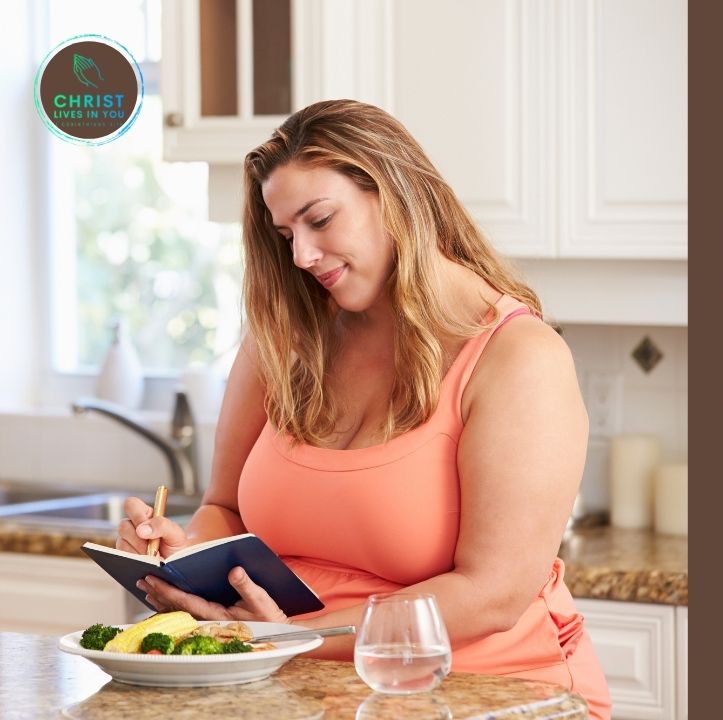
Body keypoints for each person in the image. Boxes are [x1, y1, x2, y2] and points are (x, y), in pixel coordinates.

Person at [114, 99, 611, 718]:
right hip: (296, 683)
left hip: (489, 692)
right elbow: (227, 510)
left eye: (319, 219)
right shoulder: (285, 338)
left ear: (395, 192)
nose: (301, 255)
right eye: (287, 234)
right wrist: (178, 552)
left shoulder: (516, 357)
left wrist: (293, 639)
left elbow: (494, 595)